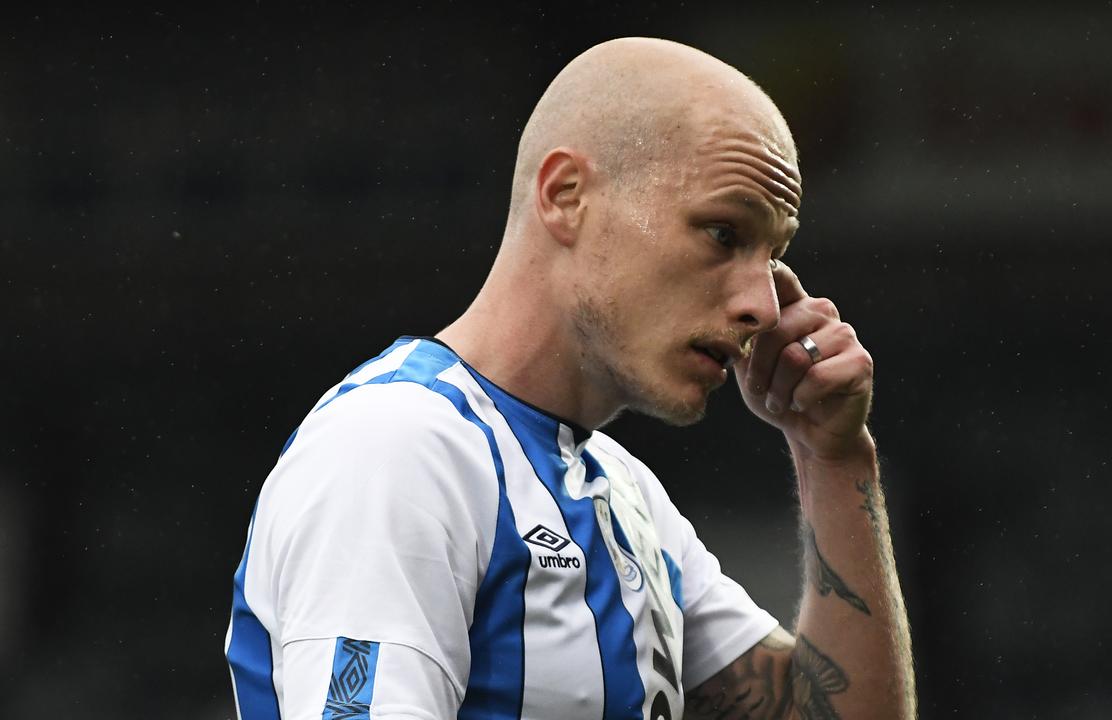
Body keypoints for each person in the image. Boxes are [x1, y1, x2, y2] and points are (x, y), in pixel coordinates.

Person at [225, 37, 915, 720]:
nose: (762, 306)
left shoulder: (626, 494)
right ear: (566, 196)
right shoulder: (396, 448)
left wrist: (834, 456)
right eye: (723, 234)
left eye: (773, 256)